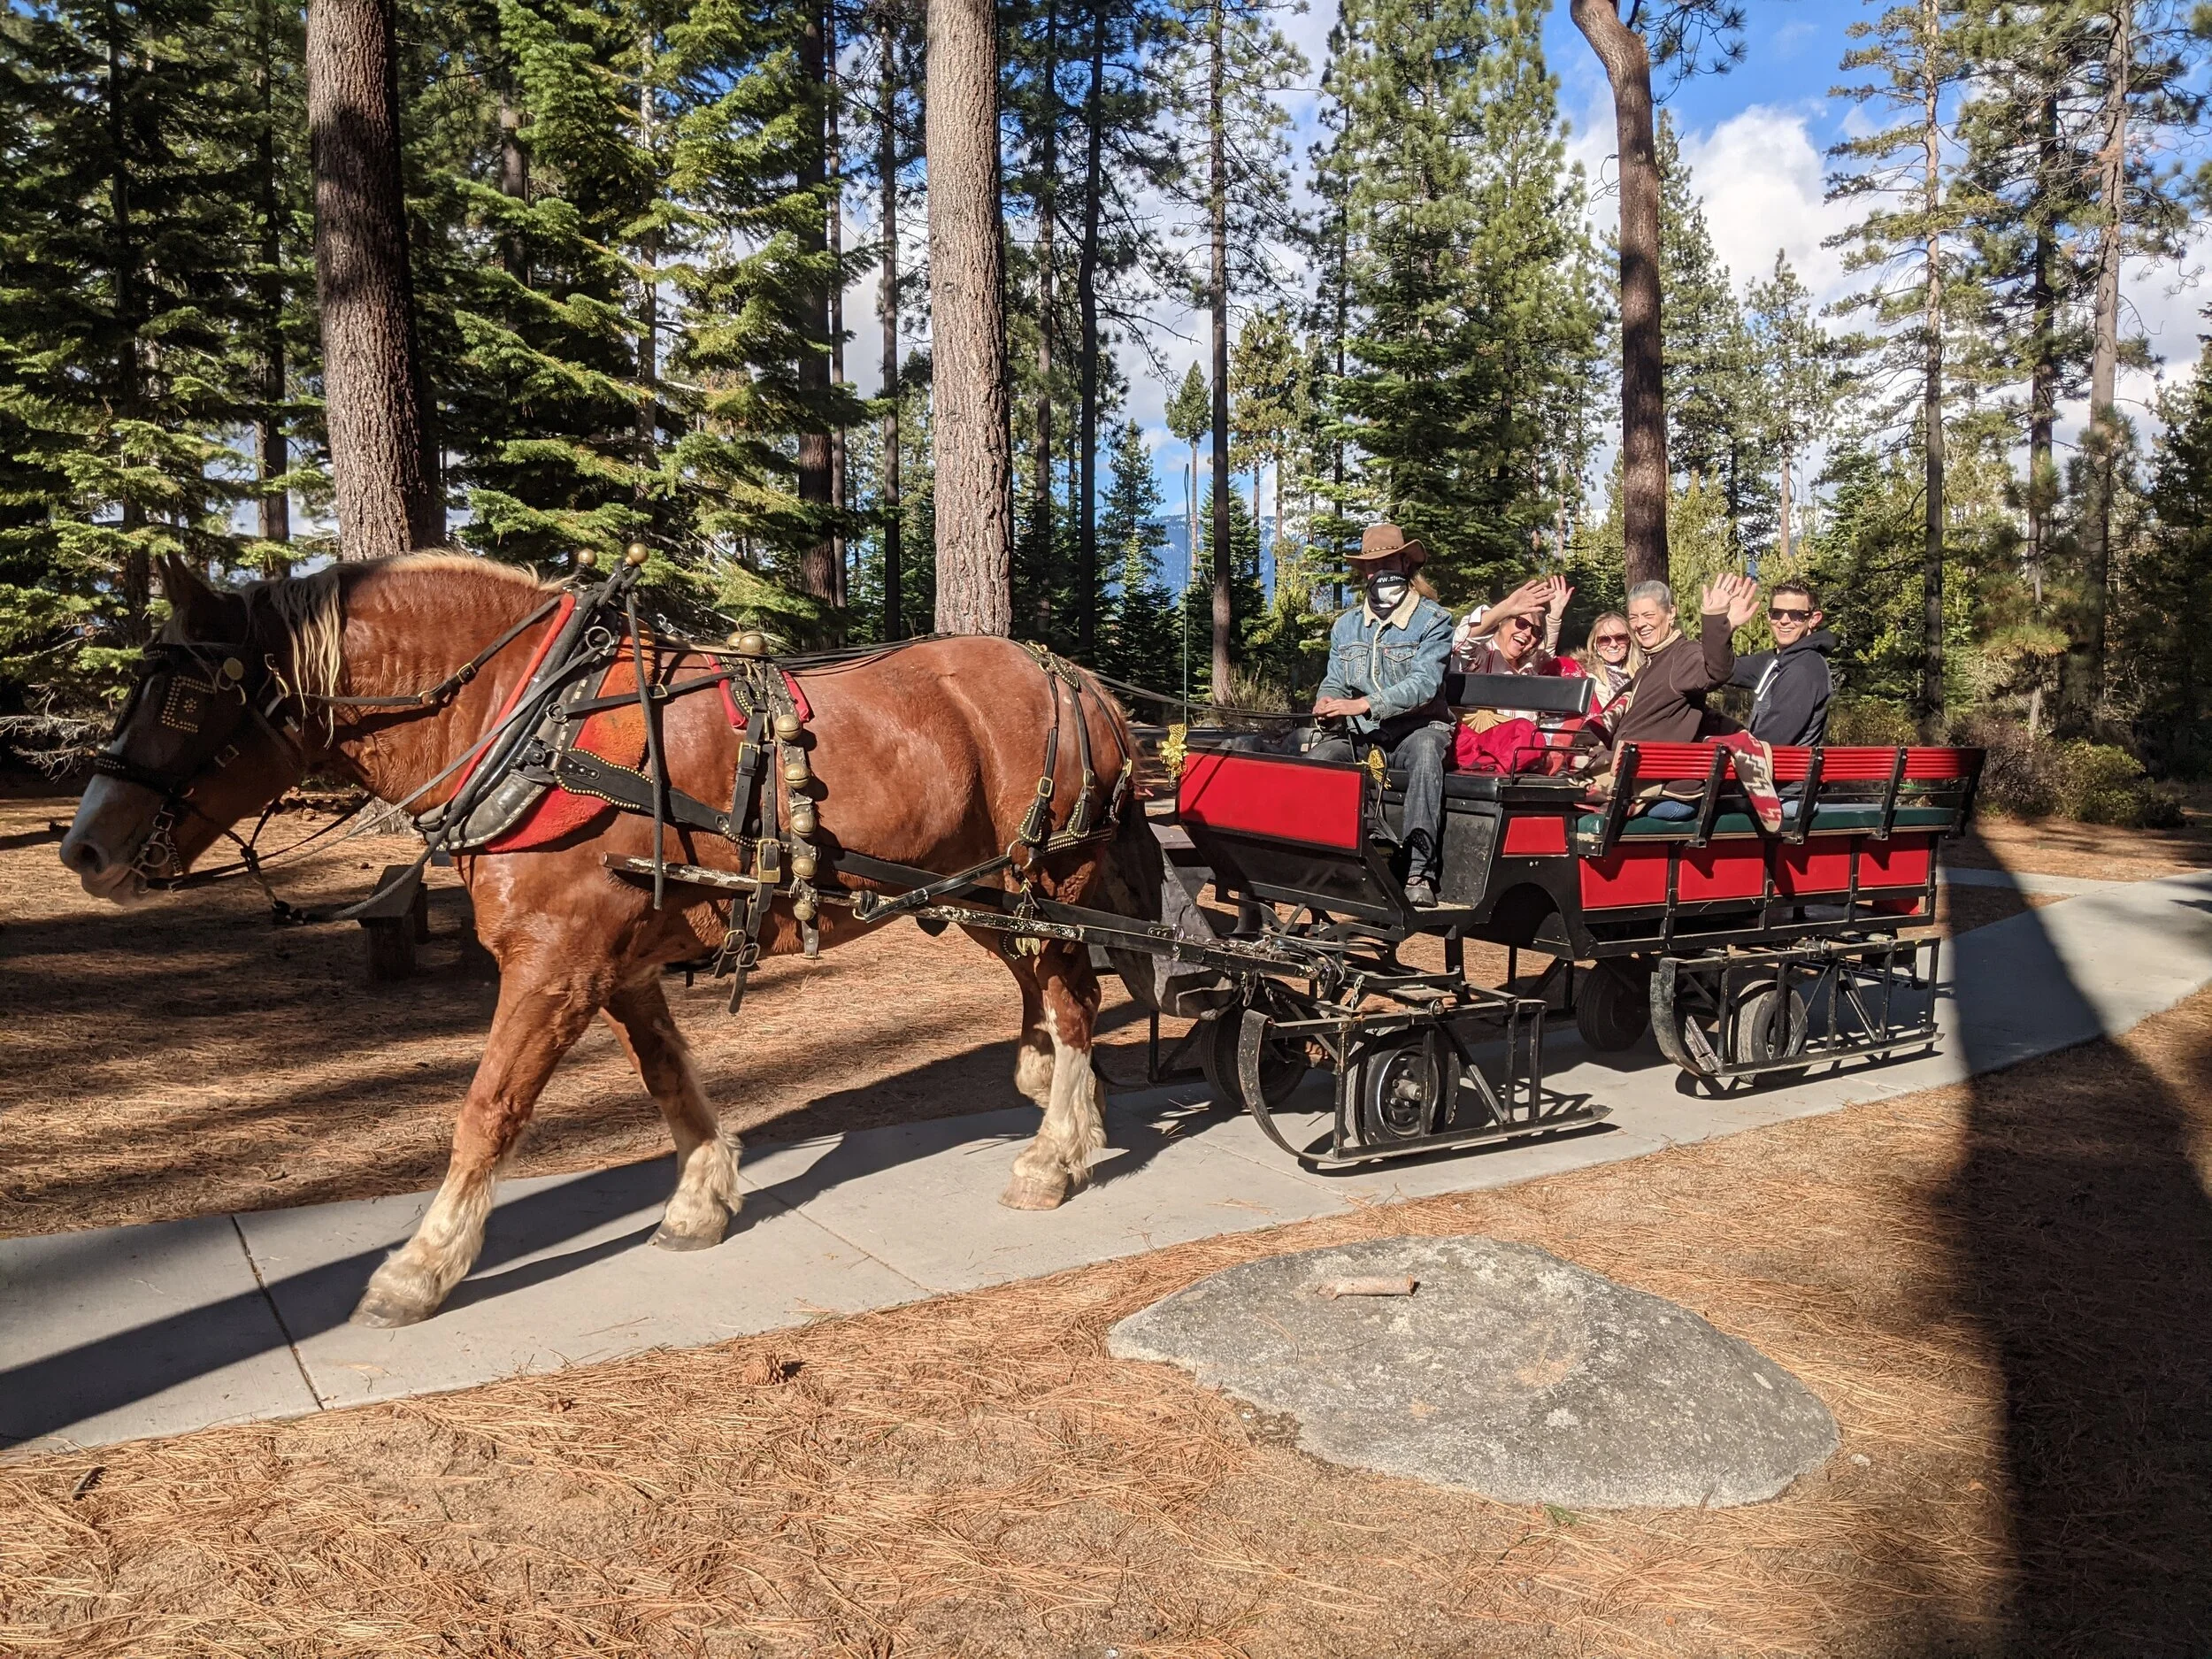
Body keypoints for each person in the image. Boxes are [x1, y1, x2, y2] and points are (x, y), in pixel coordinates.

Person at [1311, 522, 1455, 907]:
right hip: (1362, 736)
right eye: (1371, 567)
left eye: (1386, 562)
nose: (1378, 573)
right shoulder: (1346, 626)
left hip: (1418, 729)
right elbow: (1335, 680)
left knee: (1427, 755)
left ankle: (1418, 871)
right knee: (1320, 760)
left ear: (1406, 564)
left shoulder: (1434, 620)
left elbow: (1424, 686)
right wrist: (1326, 703)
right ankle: (1331, 861)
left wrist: (1364, 705)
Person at [1603, 574, 1763, 820]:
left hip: (1663, 792)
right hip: (1634, 782)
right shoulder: (1651, 664)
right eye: (1634, 617)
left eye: (1648, 615)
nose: (1640, 624)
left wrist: (1717, 621)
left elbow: (1715, 672)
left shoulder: (1682, 656)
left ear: (1671, 614)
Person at [1727, 580, 1835, 749]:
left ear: (1814, 619)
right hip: (1769, 767)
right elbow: (1722, 669)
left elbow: (1771, 740)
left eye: (1797, 615)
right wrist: (1725, 626)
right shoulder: (1777, 660)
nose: (1784, 621)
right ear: (1769, 616)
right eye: (1777, 613)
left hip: (1783, 772)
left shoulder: (1804, 670)